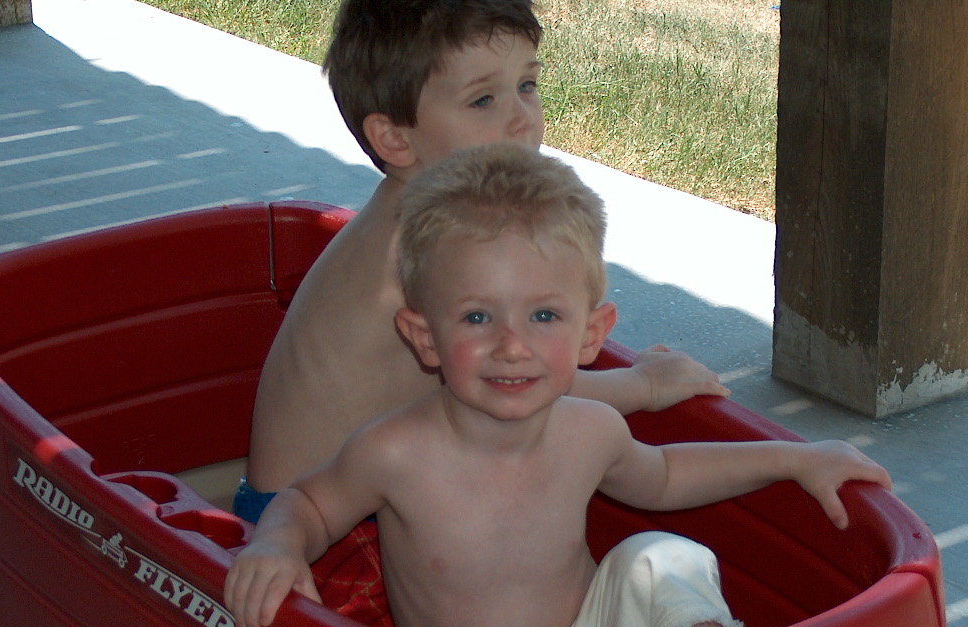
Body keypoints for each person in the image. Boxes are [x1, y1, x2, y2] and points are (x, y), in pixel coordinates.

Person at [224, 144, 892, 627]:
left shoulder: (590, 431)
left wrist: (796, 458)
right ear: (425, 337)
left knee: (661, 558)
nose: (511, 345)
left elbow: (666, 475)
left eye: (544, 315)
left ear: (592, 335)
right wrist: (278, 547)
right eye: (478, 316)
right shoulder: (396, 452)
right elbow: (307, 503)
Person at [240, 0, 727, 509]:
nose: (522, 119)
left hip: (324, 499)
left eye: (527, 86)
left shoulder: (420, 216)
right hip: (314, 529)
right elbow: (529, 383)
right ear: (395, 138)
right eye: (482, 101)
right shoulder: (429, 248)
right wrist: (642, 384)